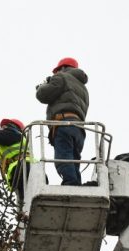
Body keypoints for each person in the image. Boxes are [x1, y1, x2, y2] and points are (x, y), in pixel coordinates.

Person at [35, 57, 89, 186]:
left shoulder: (61, 77)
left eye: (57, 70)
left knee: (63, 157)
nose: (55, 73)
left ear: (63, 68)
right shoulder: (83, 88)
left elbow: (43, 95)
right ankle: (76, 183)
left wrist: (41, 87)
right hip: (79, 129)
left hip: (64, 124)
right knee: (74, 160)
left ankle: (70, 183)